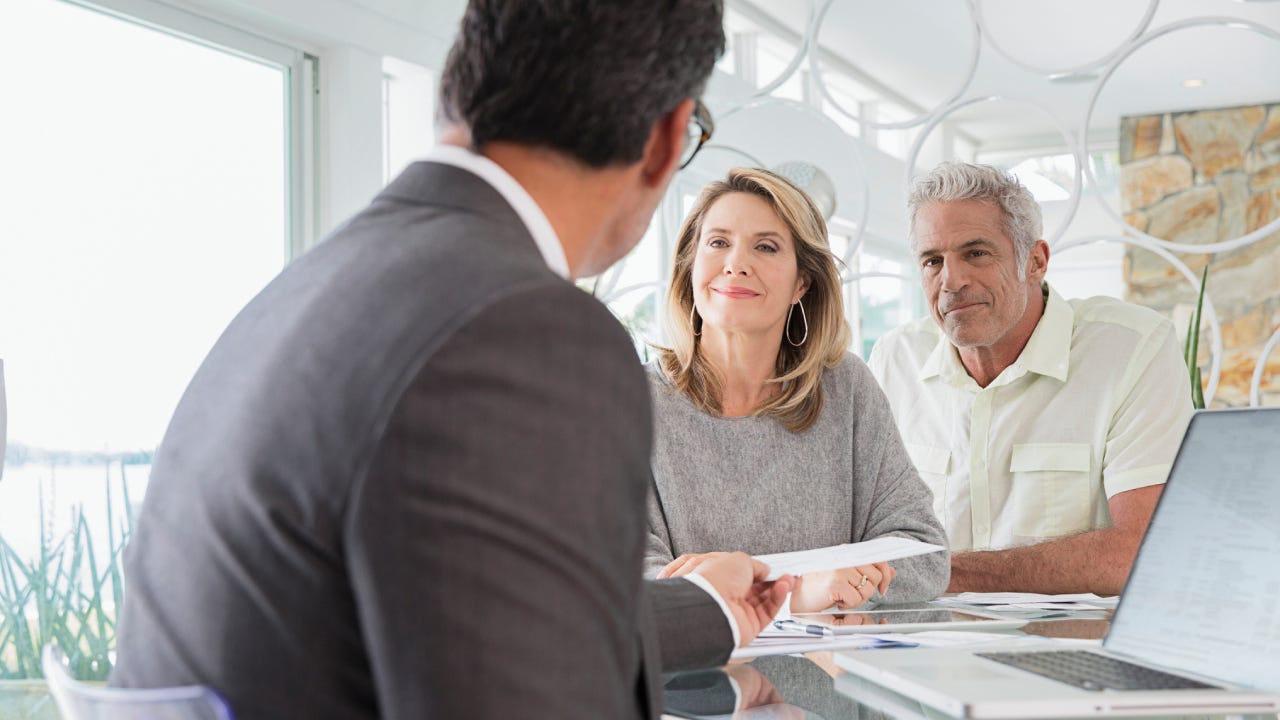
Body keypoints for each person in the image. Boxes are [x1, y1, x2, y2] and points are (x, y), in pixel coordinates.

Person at [110, 3, 795, 719]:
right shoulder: (524, 329)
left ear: (459, 84)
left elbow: (458, 609)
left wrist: (707, 606)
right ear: (664, 138)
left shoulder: (305, 289)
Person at [868, 161, 1193, 595]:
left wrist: (938, 573)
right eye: (932, 261)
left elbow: (1144, 550)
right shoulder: (895, 360)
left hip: (1070, 650)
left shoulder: (1131, 349)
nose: (952, 281)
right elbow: (858, 535)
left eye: (976, 253)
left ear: (1035, 261)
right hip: (919, 646)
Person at [644, 167, 949, 611]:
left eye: (765, 247)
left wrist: (736, 583)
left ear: (801, 283)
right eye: (717, 242)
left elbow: (923, 553)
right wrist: (798, 592)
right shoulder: (633, 401)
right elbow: (630, 578)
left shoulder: (846, 388)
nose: (735, 264)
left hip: (828, 676)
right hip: (689, 678)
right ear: (691, 265)